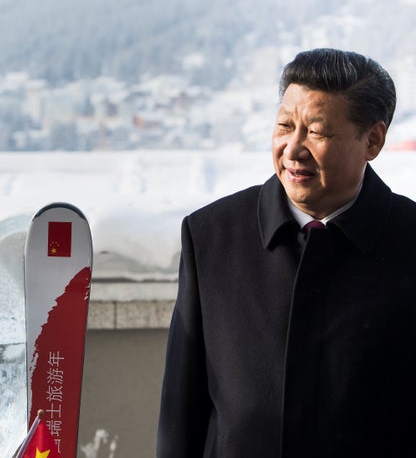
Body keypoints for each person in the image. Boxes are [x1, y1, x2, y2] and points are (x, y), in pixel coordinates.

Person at [157, 48, 416, 457]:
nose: (293, 149)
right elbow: (180, 414)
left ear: (373, 140)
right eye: (284, 126)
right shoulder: (212, 235)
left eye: (317, 132)